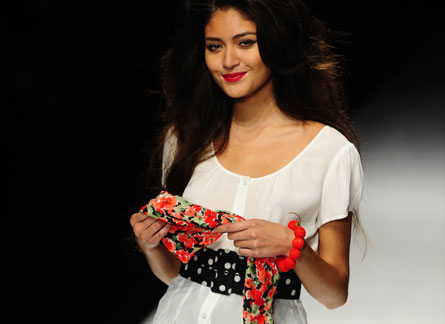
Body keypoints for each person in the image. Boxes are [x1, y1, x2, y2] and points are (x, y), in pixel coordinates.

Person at [130, 0, 364, 323]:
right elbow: (180, 277)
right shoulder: (185, 138)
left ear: (275, 40)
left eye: (245, 43)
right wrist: (151, 244)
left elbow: (335, 294)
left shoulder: (330, 153)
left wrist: (293, 247)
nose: (228, 61)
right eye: (215, 46)